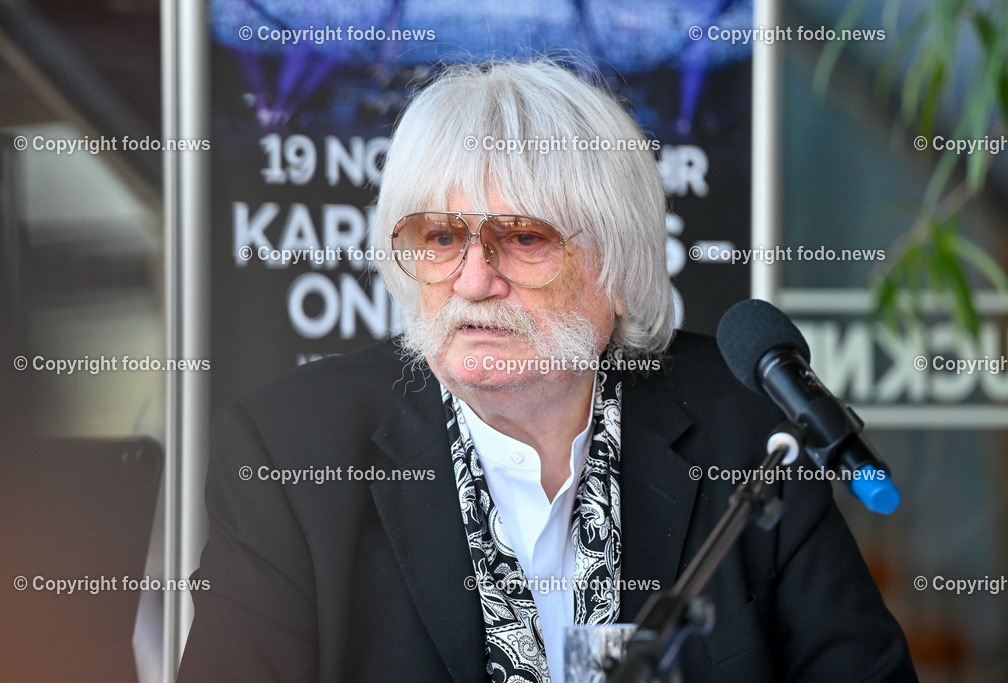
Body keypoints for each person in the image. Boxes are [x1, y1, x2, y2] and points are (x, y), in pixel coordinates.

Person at [178, 59, 917, 682]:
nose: (472, 280)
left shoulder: (746, 426)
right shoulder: (288, 453)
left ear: (620, 265)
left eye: (524, 237)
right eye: (439, 236)